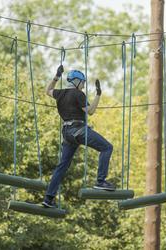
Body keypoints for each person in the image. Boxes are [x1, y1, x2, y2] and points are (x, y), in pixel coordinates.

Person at [42, 65, 115, 208]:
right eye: (83, 83)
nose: (83, 86)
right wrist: (98, 94)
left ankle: (48, 198)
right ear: (76, 81)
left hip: (67, 133)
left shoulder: (60, 93)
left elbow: (48, 91)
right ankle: (101, 181)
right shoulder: (77, 94)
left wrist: (56, 77)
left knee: (62, 166)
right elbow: (91, 111)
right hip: (78, 130)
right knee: (107, 148)